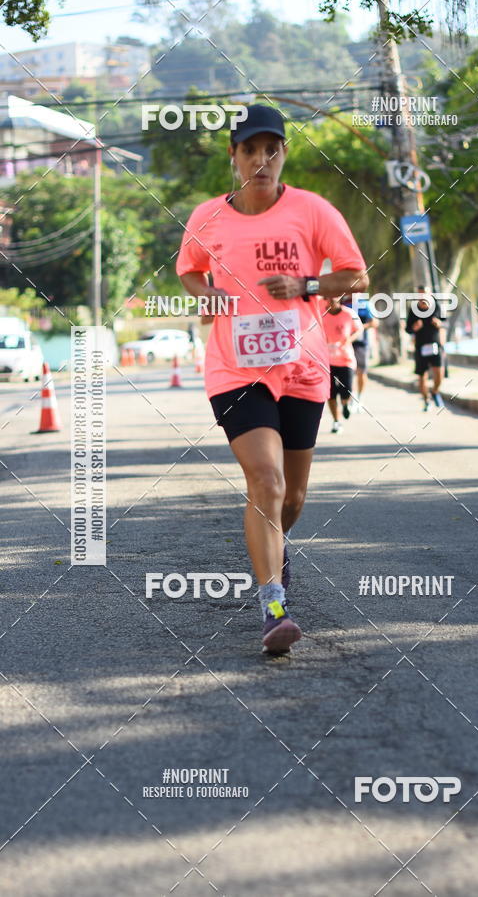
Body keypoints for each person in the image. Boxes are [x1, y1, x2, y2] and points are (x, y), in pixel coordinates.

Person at [176, 104, 368, 652]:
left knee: (295, 496)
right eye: (251, 150)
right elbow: (188, 269)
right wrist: (206, 293)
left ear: (283, 155)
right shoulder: (208, 216)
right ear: (233, 156)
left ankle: (274, 552)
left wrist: (307, 282)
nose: (262, 160)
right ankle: (273, 604)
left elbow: (356, 274)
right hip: (235, 369)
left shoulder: (312, 211)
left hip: (304, 367)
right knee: (267, 480)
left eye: (272, 149)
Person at [321, 296, 363, 432]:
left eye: (335, 296)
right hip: (327, 360)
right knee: (331, 393)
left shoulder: (349, 313)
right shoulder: (321, 313)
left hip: (345, 359)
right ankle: (336, 421)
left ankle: (345, 404)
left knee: (347, 390)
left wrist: (349, 339)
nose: (332, 299)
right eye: (329, 297)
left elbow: (359, 329)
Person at [405, 289, 445, 411]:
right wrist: (414, 327)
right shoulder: (413, 309)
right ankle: (426, 401)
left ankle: (435, 391)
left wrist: (439, 323)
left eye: (425, 293)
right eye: (420, 294)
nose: (423, 296)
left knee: (439, 372)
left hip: (435, 345)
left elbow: (444, 322)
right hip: (420, 347)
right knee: (422, 376)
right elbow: (408, 329)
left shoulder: (436, 306)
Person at [342, 293, 377, 411]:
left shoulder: (366, 304)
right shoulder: (343, 304)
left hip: (362, 343)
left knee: (361, 372)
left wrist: (360, 327)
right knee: (349, 372)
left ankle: (360, 398)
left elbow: (374, 322)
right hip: (346, 344)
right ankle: (351, 398)